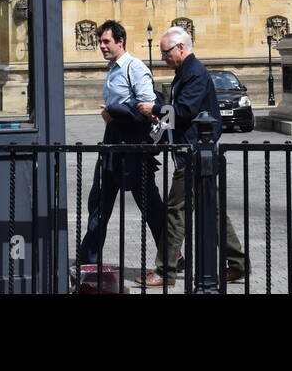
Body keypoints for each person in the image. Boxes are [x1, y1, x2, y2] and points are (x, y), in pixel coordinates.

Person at [135, 26, 248, 287]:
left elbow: (184, 110)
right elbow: (178, 114)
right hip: (194, 153)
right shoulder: (184, 73)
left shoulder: (194, 73)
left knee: (175, 212)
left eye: (165, 52)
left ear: (181, 48)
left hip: (195, 155)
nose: (163, 57)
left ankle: (165, 272)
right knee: (214, 213)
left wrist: (155, 108)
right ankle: (238, 265)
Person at [75, 20, 169, 272]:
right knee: (99, 202)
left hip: (134, 147)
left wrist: (115, 114)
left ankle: (173, 254)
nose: (102, 46)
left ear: (120, 41)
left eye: (106, 41)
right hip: (113, 143)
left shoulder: (134, 67)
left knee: (150, 205)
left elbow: (150, 108)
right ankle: (88, 259)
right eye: (100, 42)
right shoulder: (113, 69)